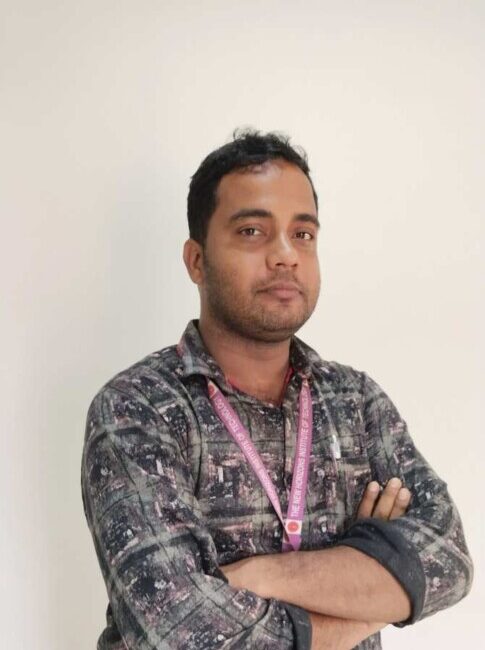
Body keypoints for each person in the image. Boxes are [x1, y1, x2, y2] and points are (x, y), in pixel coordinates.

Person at [81, 130, 473, 650]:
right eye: (251, 231)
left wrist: (259, 577)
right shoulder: (137, 410)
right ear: (196, 260)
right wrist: (369, 587)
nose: (285, 255)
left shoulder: (355, 401)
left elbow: (449, 561)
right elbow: (181, 631)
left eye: (303, 234)